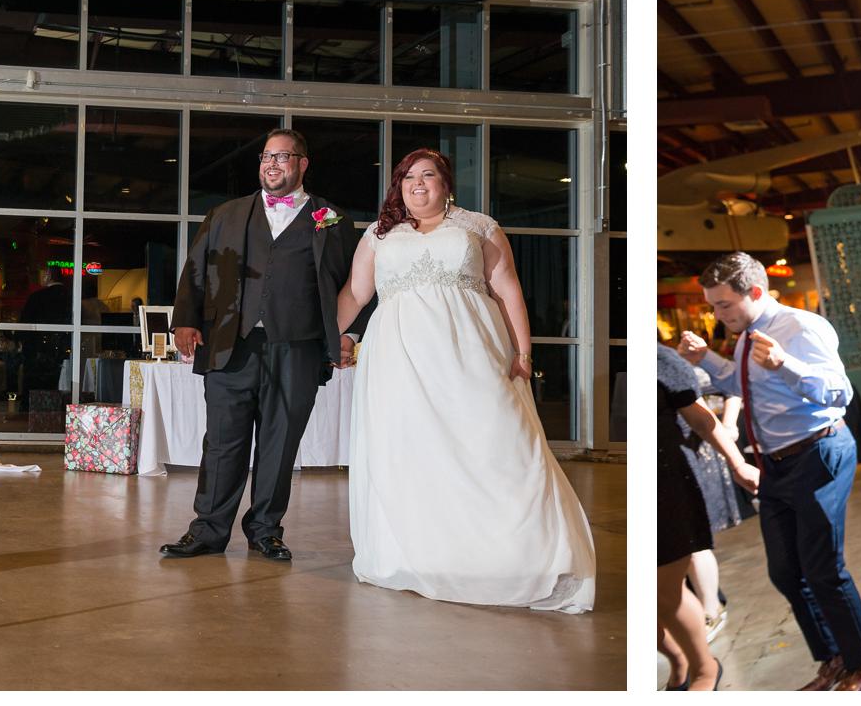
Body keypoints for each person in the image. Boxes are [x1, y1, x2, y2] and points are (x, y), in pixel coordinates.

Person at [333, 149, 596, 611]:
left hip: (472, 354)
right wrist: (331, 338)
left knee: (502, 445)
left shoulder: (479, 226)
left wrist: (523, 351)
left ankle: (518, 557)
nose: (417, 184)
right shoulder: (380, 235)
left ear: (446, 183)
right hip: (399, 361)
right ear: (398, 186)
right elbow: (357, 293)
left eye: (428, 175)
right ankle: (419, 555)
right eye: (408, 177)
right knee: (410, 453)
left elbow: (507, 287)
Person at [676, 252, 861, 690]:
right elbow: (743, 384)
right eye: (713, 306)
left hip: (817, 453)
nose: (717, 313)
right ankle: (834, 658)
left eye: (723, 305)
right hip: (776, 464)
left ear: (754, 292)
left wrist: (786, 364)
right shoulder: (747, 333)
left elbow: (839, 393)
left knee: (823, 568)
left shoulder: (799, 327)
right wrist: (706, 358)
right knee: (786, 571)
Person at [163, 128, 368, 562]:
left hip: (299, 347)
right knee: (222, 441)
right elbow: (195, 269)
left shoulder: (330, 218)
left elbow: (357, 281)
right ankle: (208, 529)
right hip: (230, 346)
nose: (272, 165)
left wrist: (348, 334)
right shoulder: (227, 213)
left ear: (302, 164)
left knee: (280, 442)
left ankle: (265, 530)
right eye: (266, 157)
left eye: (283, 157)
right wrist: (185, 321)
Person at [658, 344, 757, 689]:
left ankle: (705, 668)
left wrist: (739, 462)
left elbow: (702, 418)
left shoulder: (662, 359)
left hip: (669, 487)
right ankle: (680, 659)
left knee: (663, 594)